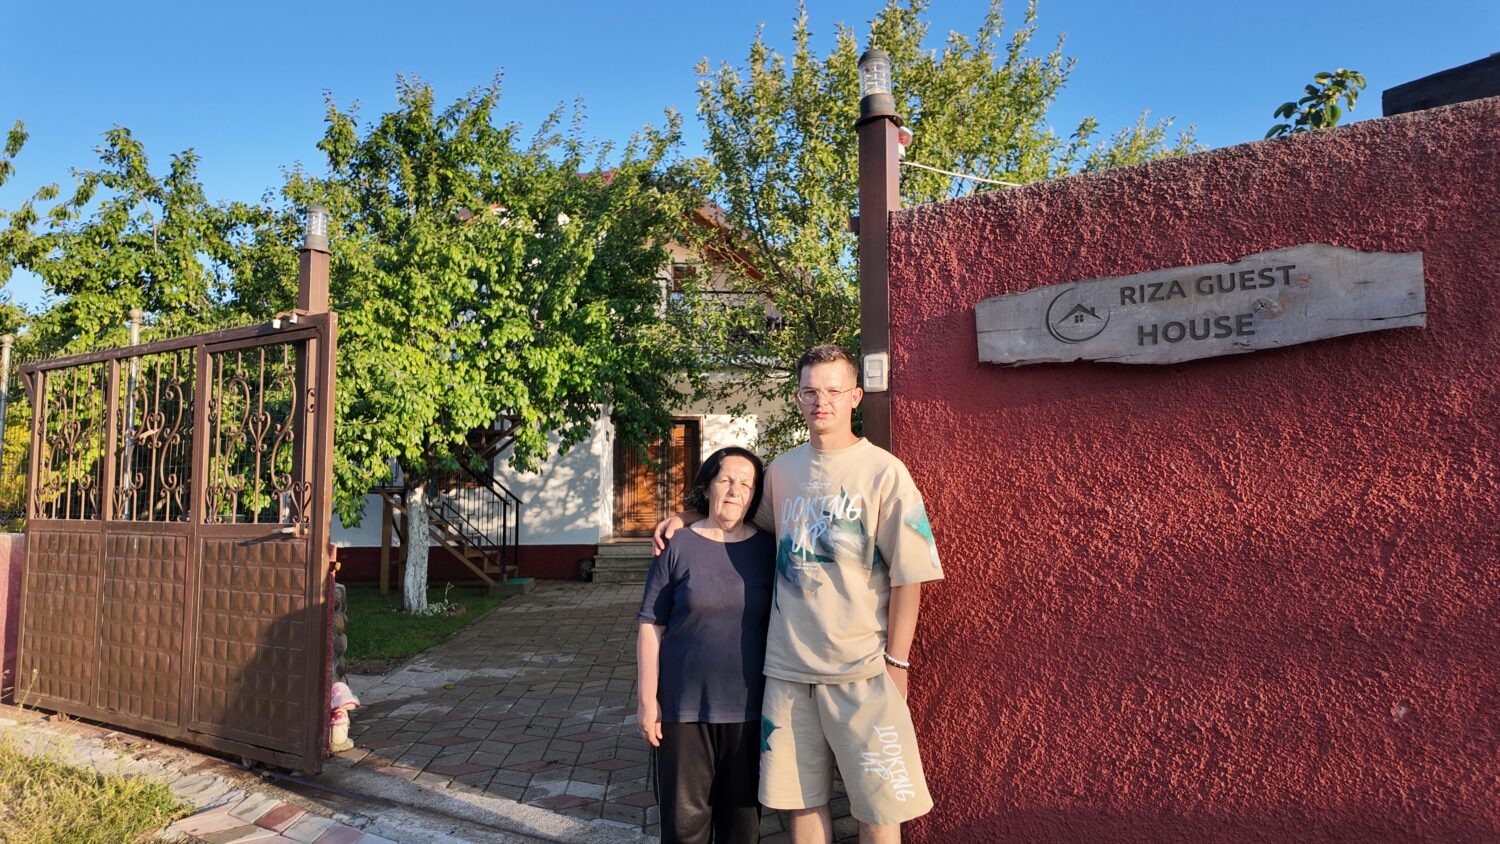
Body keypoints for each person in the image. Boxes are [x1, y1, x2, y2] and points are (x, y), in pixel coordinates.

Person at [655, 344, 944, 844]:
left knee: (878, 808)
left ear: (854, 396)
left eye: (833, 391)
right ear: (797, 398)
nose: (821, 401)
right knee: (800, 804)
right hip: (787, 672)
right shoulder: (783, 472)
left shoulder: (885, 472)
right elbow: (741, 519)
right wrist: (686, 518)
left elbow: (909, 575)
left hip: (863, 670)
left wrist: (898, 664)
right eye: (810, 391)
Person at [637, 446, 776, 844]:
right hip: (682, 709)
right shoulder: (676, 546)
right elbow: (651, 624)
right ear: (708, 486)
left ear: (755, 496)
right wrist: (648, 700)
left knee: (742, 829)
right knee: (683, 829)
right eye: (725, 480)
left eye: (745, 484)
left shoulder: (769, 549)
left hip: (750, 710)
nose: (734, 491)